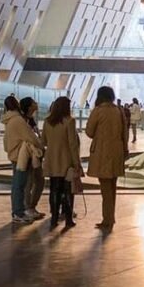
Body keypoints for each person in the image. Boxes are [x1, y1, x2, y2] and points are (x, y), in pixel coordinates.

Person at [86, 86, 127, 232]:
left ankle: (107, 219)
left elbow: (89, 132)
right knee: (112, 187)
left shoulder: (98, 111)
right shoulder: (119, 111)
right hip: (116, 152)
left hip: (102, 152)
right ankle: (110, 217)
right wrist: (124, 149)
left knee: (105, 188)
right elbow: (125, 133)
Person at [2, 95, 42, 224]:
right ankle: (18, 213)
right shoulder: (18, 120)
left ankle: (18, 211)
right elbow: (31, 137)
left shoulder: (9, 120)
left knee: (17, 185)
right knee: (19, 186)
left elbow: (5, 141)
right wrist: (41, 146)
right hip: (20, 156)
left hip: (14, 155)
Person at [42, 96, 80, 229]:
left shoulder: (47, 121)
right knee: (68, 190)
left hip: (52, 159)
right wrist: (77, 163)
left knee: (54, 189)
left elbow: (43, 141)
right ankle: (68, 219)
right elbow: (72, 144)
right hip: (66, 160)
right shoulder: (70, 121)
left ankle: (54, 218)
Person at [20, 97, 46, 220]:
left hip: (37, 154)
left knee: (40, 181)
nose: (36, 104)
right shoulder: (23, 120)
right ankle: (27, 208)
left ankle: (32, 206)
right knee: (29, 182)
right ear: (29, 106)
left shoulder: (31, 119)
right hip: (29, 155)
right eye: (34, 102)